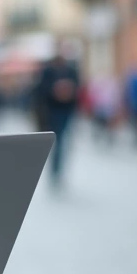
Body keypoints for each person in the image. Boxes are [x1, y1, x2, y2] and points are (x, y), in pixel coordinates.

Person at [35, 44, 81, 187]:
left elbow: (77, 89)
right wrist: (55, 90)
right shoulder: (48, 71)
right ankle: (54, 172)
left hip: (66, 111)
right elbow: (40, 91)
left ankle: (58, 172)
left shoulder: (71, 70)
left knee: (63, 142)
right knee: (57, 142)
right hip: (52, 111)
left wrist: (68, 91)